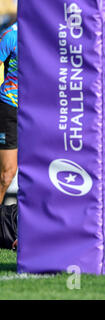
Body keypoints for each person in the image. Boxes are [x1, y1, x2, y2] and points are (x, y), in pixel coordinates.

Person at [0, 22, 17, 204]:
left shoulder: (51, 32)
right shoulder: (11, 35)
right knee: (6, 175)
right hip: (10, 106)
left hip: (41, 111)